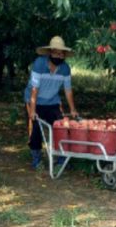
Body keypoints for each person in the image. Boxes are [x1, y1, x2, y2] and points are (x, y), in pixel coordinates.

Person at [24, 36, 79, 170]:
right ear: (50, 53)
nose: (58, 56)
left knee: (61, 127)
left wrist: (73, 109)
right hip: (35, 100)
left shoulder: (65, 68)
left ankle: (61, 159)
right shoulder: (39, 64)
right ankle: (36, 159)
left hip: (52, 101)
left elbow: (68, 90)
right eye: (56, 53)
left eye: (61, 54)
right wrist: (32, 110)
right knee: (36, 128)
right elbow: (34, 90)